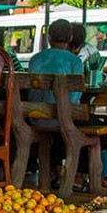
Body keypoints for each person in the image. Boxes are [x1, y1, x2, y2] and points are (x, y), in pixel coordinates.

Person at [28, 20, 84, 182]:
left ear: (49, 38)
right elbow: (74, 99)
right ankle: (78, 177)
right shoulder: (75, 61)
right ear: (70, 38)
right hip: (61, 120)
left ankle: (54, 169)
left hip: (36, 116)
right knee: (83, 124)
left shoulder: (35, 59)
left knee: (57, 126)